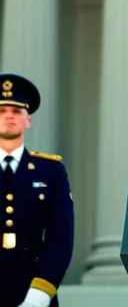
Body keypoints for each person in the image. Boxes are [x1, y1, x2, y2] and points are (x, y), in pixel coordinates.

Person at [0, 73, 74, 307]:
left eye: (16, 111)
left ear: (27, 120)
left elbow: (60, 238)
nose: (9, 117)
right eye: (2, 111)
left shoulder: (51, 172)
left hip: (34, 292)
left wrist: (39, 296)